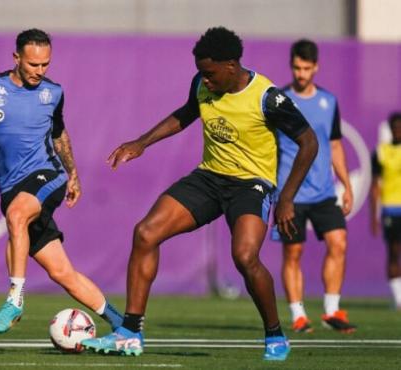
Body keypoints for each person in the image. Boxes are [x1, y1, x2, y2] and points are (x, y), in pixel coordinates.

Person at [81, 27, 318, 361]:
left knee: (245, 257)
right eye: (201, 74)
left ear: (232, 66)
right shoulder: (202, 84)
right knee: (146, 233)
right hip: (209, 178)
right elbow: (185, 114)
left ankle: (275, 334)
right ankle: (130, 333)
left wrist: (288, 198)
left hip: (251, 185)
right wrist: (141, 143)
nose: (204, 80)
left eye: (210, 74)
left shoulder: (267, 97)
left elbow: (309, 142)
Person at [0, 28, 123, 335]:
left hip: (47, 175)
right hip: (11, 186)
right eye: (33, 64)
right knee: (63, 273)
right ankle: (124, 324)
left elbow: (59, 134)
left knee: (16, 215)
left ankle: (14, 299)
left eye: (45, 64)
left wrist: (73, 175)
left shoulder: (53, 93)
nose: (40, 71)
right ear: (16, 58)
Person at [273, 39, 356, 333]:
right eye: (297, 67)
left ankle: (332, 311)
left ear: (316, 67)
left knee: (339, 243)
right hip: (290, 194)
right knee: (293, 253)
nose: (301, 73)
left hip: (323, 192)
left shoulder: (329, 101)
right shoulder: (279, 100)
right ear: (291, 66)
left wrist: (346, 184)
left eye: (307, 68)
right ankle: (298, 315)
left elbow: (335, 146)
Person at [370, 112, 401, 310]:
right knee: (394, 252)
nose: (397, 131)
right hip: (391, 209)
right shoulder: (381, 152)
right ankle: (399, 299)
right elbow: (375, 186)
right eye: (394, 128)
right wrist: (374, 216)